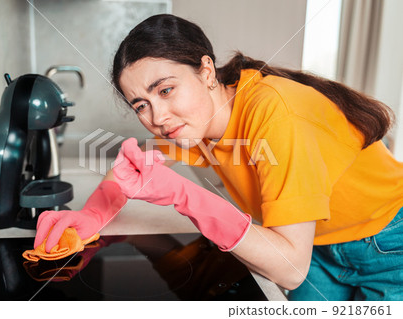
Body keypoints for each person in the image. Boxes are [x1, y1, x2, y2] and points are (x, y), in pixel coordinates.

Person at [34, 14, 403, 301]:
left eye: (166, 89)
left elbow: (290, 270)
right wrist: (91, 216)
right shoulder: (196, 121)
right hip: (318, 244)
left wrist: (185, 195)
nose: (157, 118)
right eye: (141, 105)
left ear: (206, 71)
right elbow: (136, 165)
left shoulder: (276, 115)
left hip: (390, 243)